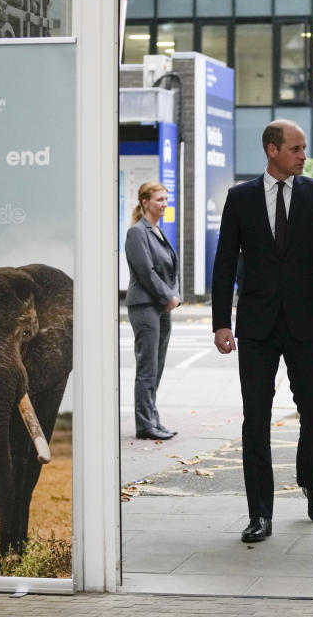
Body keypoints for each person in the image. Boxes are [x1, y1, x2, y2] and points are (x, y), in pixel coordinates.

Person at [211, 119, 313, 543]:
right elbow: (224, 264)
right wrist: (221, 322)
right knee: (256, 418)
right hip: (256, 326)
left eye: (304, 148)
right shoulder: (240, 198)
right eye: (296, 148)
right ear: (272, 150)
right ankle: (260, 514)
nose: (303, 156)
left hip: (308, 323)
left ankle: (312, 485)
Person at [125, 181, 181, 441]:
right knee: (147, 368)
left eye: (166, 199)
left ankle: (152, 420)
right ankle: (145, 424)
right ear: (145, 202)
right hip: (146, 306)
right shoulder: (137, 233)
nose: (164, 203)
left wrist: (174, 294)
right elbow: (145, 271)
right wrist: (166, 296)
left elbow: (171, 268)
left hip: (162, 307)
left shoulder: (158, 231)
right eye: (159, 199)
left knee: (156, 367)